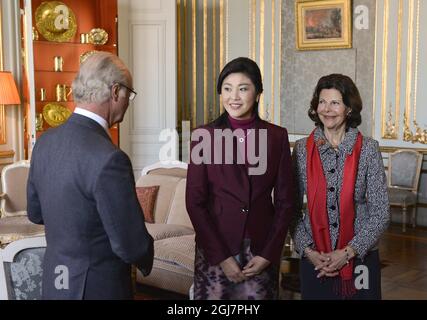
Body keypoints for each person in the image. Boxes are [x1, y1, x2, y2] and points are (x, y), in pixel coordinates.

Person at [26, 52, 154, 300]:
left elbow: (35, 213)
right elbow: (131, 244)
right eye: (129, 94)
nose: (128, 101)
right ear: (115, 92)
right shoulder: (110, 158)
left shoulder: (45, 142)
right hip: (97, 287)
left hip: (54, 283)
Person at [185, 57, 295, 300]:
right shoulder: (204, 136)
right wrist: (222, 258)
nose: (234, 97)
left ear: (257, 94)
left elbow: (287, 202)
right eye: (227, 89)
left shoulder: (276, 137)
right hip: (216, 249)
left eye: (243, 88)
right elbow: (195, 202)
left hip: (260, 250)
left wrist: (269, 254)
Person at [291, 74, 390, 300]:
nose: (327, 109)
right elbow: (291, 209)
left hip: (360, 258)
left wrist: (347, 253)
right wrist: (308, 251)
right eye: (322, 102)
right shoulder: (302, 150)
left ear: (349, 109)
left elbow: (381, 213)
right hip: (315, 260)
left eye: (335, 102)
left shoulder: (368, 149)